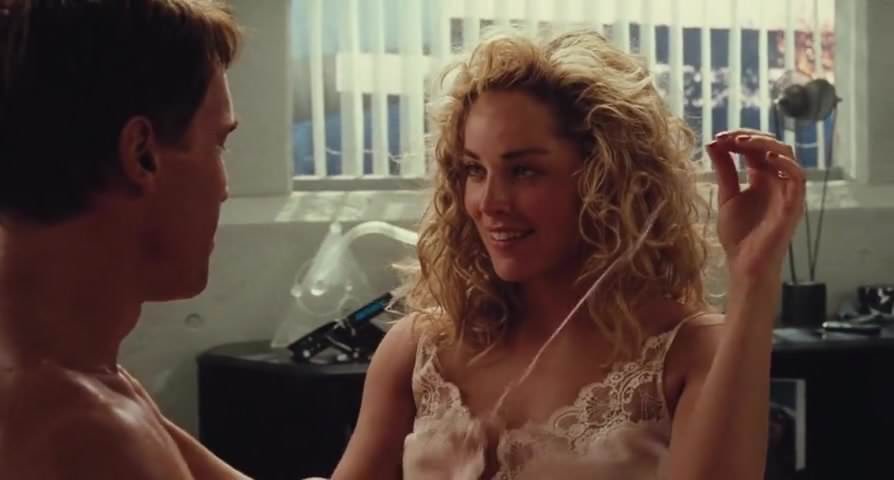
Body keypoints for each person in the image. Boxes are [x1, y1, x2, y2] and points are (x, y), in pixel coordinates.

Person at [331, 28, 805, 480]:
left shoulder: (690, 352)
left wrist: (754, 275)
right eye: (475, 170)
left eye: (524, 171)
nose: (489, 202)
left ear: (606, 181)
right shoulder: (417, 349)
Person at [0, 1, 251, 478]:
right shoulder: (82, 433)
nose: (224, 188)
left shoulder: (86, 374)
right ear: (142, 154)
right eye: (218, 144)